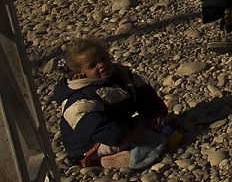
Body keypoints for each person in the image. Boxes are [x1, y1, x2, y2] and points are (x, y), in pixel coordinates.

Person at [54, 37, 172, 170]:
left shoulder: (121, 75)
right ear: (81, 73)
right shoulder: (80, 97)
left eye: (103, 58)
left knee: (149, 124)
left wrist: (155, 112)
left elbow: (143, 94)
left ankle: (138, 142)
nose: (101, 65)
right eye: (92, 65)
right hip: (92, 142)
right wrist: (124, 135)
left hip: (118, 125)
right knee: (131, 140)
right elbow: (94, 125)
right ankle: (108, 159)